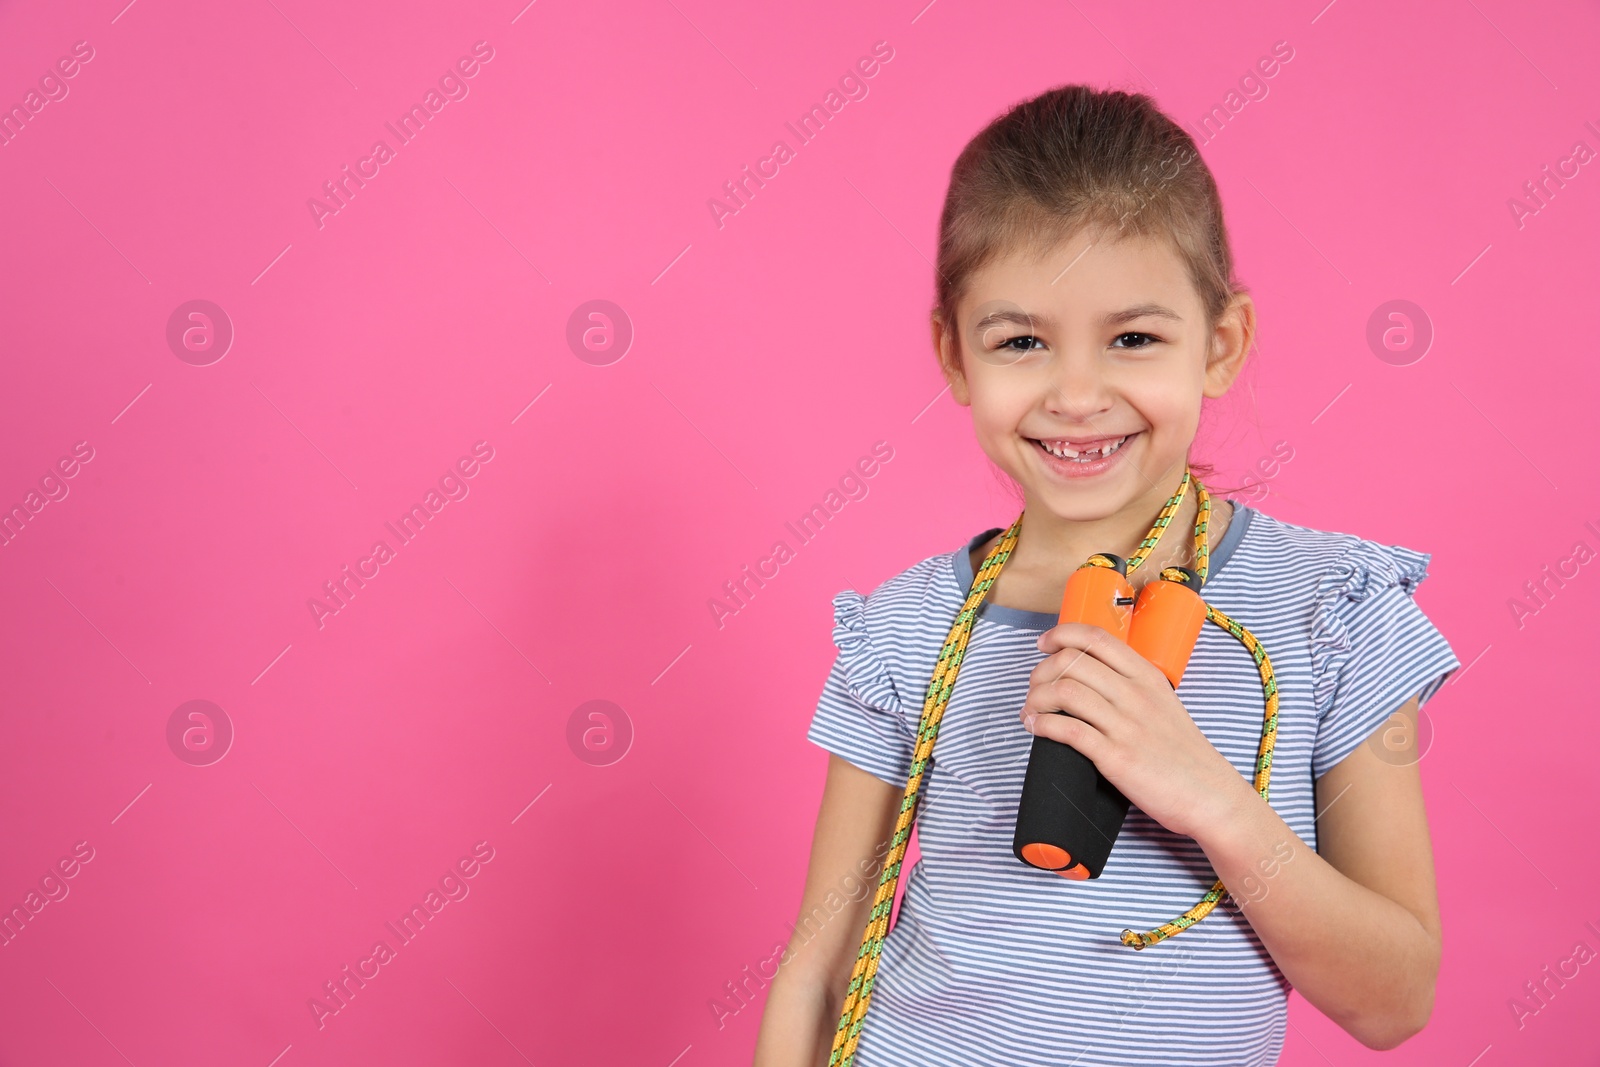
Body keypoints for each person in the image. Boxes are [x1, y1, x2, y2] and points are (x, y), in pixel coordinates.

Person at [751, 84, 1459, 1066]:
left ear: (1220, 344)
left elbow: (1394, 999)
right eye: (1021, 341)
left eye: (1132, 337)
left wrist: (1209, 798)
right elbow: (818, 965)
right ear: (954, 355)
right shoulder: (907, 628)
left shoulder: (1328, 611)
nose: (1076, 395)